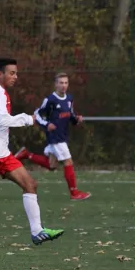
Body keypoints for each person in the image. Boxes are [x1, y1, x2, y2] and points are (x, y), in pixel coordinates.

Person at [0, 58, 64, 245]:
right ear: (0, 74)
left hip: (2, 154)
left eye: (16, 73)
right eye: (11, 73)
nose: (15, 77)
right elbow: (0, 120)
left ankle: (37, 231)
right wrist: (28, 119)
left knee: (30, 184)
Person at [15, 72, 91, 200]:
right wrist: (47, 125)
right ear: (56, 84)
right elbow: (37, 114)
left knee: (52, 165)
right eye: (61, 83)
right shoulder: (50, 100)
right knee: (68, 161)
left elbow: (70, 115)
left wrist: (76, 119)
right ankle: (74, 193)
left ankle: (27, 154)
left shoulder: (69, 99)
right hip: (55, 137)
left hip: (63, 135)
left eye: (66, 83)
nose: (63, 85)